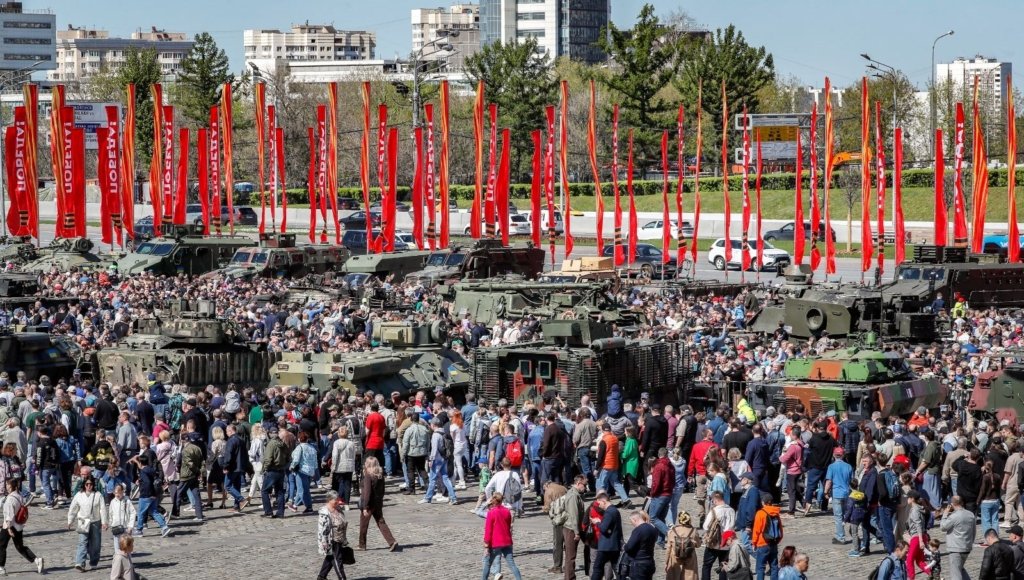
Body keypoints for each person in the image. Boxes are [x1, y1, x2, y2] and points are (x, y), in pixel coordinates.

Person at [0, 477, 42, 575]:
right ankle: (36, 560)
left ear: (11, 486)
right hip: (18, 526)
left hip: (9, 526)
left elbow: (9, 516)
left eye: (7, 484)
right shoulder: (19, 496)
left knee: (1, 545)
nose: (6, 486)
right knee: (20, 547)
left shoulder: (10, 499)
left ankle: (1, 567)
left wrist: (9, 528)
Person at [67, 475, 108, 572]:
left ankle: (93, 562)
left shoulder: (98, 495)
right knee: (82, 542)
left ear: (93, 485)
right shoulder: (79, 495)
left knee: (96, 544)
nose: (89, 486)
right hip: (83, 522)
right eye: (87, 484)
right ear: (84, 485)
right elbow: (73, 508)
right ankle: (80, 563)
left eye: (91, 484)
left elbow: (102, 510)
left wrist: (104, 522)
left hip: (95, 522)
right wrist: (70, 521)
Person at [357, 456, 397, 551]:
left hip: (369, 503)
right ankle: (392, 541)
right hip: (378, 502)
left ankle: (362, 545)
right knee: (381, 521)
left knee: (363, 524)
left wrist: (365, 507)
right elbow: (382, 490)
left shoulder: (368, 476)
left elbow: (367, 492)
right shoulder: (380, 475)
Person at [481, 492, 522, 580]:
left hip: (495, 542)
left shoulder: (491, 513)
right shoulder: (507, 511)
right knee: (512, 564)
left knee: (487, 563)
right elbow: (508, 526)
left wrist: (486, 544)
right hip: (507, 541)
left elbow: (488, 530)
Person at [133, 454, 171, 538]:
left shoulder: (143, 471)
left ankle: (139, 530)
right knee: (154, 512)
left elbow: (147, 482)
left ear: (140, 463)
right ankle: (164, 527)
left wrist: (141, 484)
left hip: (146, 495)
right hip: (154, 494)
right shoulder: (151, 470)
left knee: (141, 512)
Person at [941, 495, 977, 580]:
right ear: (962, 502)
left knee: (956, 574)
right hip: (967, 547)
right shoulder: (970, 514)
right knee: (960, 569)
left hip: (955, 548)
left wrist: (945, 514)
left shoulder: (954, 516)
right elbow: (974, 531)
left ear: (952, 504)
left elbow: (943, 527)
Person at [316, 490, 349, 580]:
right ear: (329, 500)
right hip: (331, 540)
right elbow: (323, 530)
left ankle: (321, 576)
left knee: (331, 558)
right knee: (338, 560)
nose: (337, 501)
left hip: (340, 538)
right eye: (335, 500)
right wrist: (325, 542)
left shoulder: (338, 509)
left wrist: (344, 539)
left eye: (338, 499)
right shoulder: (324, 513)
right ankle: (342, 578)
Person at [824, 446, 853, 545]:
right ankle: (846, 532)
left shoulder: (831, 467)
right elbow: (852, 481)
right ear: (843, 455)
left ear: (834, 455)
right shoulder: (848, 466)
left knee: (838, 516)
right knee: (846, 515)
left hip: (837, 493)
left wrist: (825, 492)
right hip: (846, 493)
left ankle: (840, 537)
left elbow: (829, 481)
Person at [590, 492, 622, 580]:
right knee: (616, 568)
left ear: (604, 501)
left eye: (599, 503)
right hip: (613, 545)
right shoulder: (614, 510)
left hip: (606, 546)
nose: (599, 505)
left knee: (597, 568)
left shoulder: (609, 512)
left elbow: (604, 528)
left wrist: (597, 522)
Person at [752, 492, 782, 580]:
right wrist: (776, 541)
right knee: (774, 566)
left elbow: (756, 530)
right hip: (773, 543)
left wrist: (754, 543)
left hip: (762, 543)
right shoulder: (776, 513)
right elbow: (780, 530)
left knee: (761, 568)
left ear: (763, 502)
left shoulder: (760, 513)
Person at [665, 510, 700, 580]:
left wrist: (666, 562)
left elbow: (668, 548)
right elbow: (698, 545)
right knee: (690, 576)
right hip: (690, 556)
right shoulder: (693, 530)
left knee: (673, 576)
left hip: (675, 556)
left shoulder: (673, 531)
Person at [623, 510, 658, 580]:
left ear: (635, 519)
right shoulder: (653, 528)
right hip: (650, 561)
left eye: (631, 521)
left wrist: (624, 546)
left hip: (639, 564)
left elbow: (629, 547)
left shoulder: (638, 530)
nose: (632, 524)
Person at [289, 431, 318, 513]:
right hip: (310, 471)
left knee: (302, 490)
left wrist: (292, 466)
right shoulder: (312, 448)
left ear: (299, 439)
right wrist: (315, 470)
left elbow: (296, 460)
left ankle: (309, 507)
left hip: (302, 471)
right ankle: (295, 505)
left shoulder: (299, 448)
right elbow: (315, 461)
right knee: (304, 489)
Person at [107, 483, 135, 556]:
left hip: (125, 528)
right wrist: (110, 524)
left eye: (119, 492)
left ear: (122, 492)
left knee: (126, 547)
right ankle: (118, 563)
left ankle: (128, 563)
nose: (117, 495)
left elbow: (133, 513)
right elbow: (110, 514)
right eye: (115, 493)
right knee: (117, 547)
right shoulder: (113, 502)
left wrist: (130, 526)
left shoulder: (127, 501)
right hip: (116, 528)